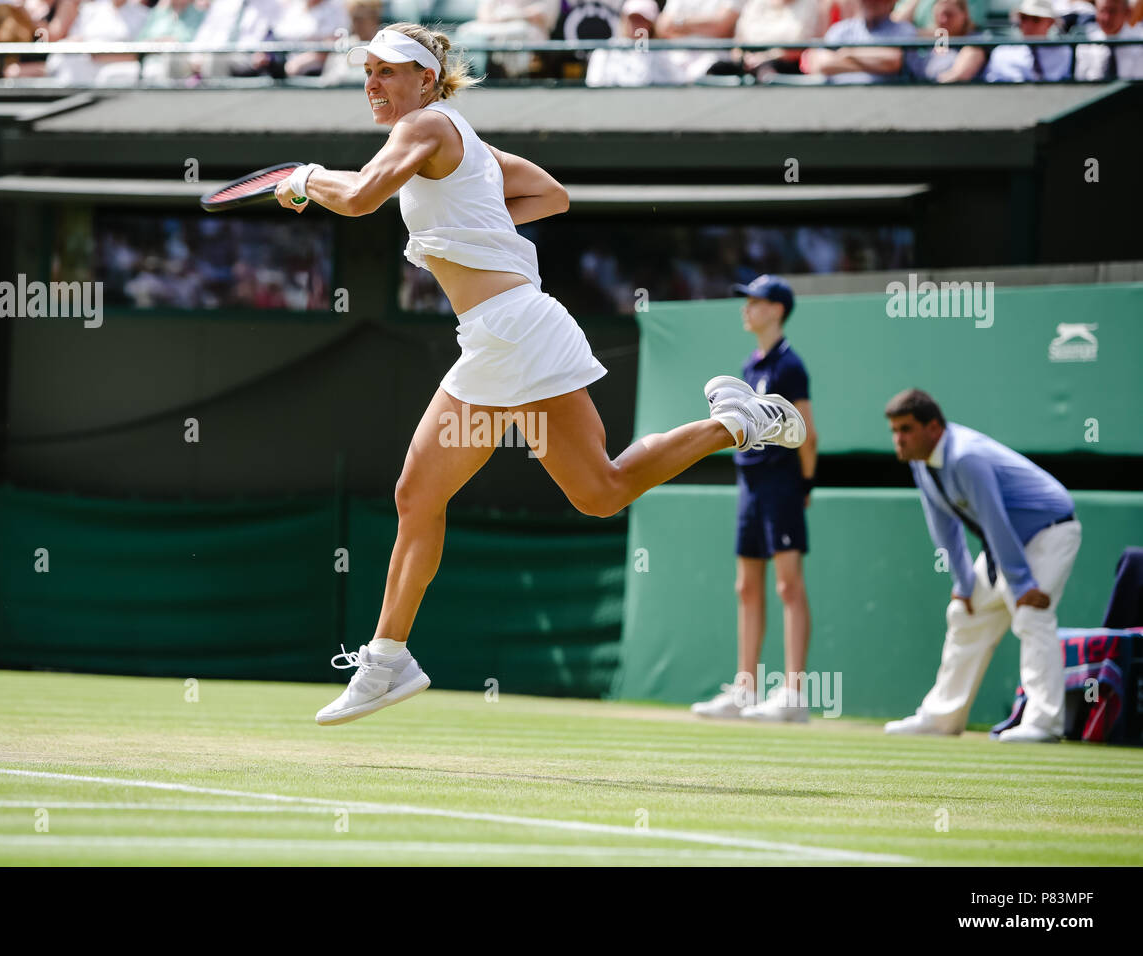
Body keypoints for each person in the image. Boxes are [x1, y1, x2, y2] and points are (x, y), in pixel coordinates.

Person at [269, 24, 808, 725]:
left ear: (427, 80)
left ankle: (387, 656)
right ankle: (736, 421)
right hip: (511, 331)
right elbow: (550, 194)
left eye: (389, 71)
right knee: (597, 491)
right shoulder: (464, 141)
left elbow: (364, 195)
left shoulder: (425, 126)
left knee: (420, 493)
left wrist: (307, 178)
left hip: (512, 333)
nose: (373, 82)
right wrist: (474, 227)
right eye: (367, 71)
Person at [883, 389, 1081, 743]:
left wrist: (1021, 586)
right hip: (1006, 544)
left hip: (1049, 533)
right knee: (964, 613)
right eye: (894, 431)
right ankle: (942, 718)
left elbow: (995, 521)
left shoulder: (965, 457)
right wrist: (963, 583)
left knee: (1031, 616)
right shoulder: (920, 462)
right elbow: (944, 527)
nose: (898, 439)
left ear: (933, 428)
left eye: (906, 429)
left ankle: (1043, 723)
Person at [691, 276, 819, 722]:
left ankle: (793, 695)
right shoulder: (748, 367)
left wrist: (804, 486)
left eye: (756, 301)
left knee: (787, 585)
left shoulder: (791, 365)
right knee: (746, 586)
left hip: (782, 484)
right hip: (749, 484)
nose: (746, 308)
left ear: (778, 310)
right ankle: (744, 690)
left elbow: (808, 433)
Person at [802, 0, 918, 82]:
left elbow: (891, 61)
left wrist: (848, 53)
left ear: (892, 2)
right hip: (837, 102)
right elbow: (822, 64)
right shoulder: (841, 30)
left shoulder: (903, 30)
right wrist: (868, 63)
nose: (870, 2)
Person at [586, 0, 682, 85]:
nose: (636, 25)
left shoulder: (664, 55)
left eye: (641, 20)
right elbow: (595, 89)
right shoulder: (604, 53)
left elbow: (677, 84)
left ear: (651, 24)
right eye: (632, 19)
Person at [983, 0, 1072, 81]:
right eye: (1024, 18)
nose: (1028, 24)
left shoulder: (1065, 53)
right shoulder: (1001, 53)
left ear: (1050, 22)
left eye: (1036, 19)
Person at [904, 0, 988, 82]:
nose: (943, 20)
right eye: (938, 15)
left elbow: (959, 74)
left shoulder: (975, 43)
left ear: (964, 15)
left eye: (949, 15)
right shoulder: (923, 38)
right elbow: (899, 25)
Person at [1073, 0, 1143, 80]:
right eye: (1102, 11)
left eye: (1113, 11)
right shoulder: (1086, 44)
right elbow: (1081, 83)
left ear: (1127, 12)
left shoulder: (1140, 42)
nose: (1106, 18)